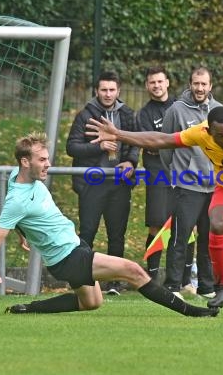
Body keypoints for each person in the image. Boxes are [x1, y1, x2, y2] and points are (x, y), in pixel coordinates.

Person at [0, 132, 218, 318]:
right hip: (67, 257)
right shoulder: (17, 200)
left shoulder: (14, 176)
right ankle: (191, 311)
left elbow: (16, 215)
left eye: (47, 158)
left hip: (74, 246)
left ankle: (27, 309)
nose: (48, 164)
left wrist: (22, 231)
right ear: (25, 162)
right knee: (133, 270)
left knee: (91, 302)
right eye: (42, 160)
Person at [86, 105, 223, 316]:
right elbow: (160, 140)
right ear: (209, 131)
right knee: (218, 223)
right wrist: (118, 134)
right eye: (221, 136)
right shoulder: (199, 133)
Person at [66, 71, 138, 295]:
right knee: (87, 232)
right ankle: (80, 279)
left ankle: (114, 283)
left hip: (119, 183)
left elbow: (135, 142)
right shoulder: (85, 115)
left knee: (117, 234)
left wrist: (130, 161)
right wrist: (100, 146)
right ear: (96, 91)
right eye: (104, 90)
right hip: (92, 183)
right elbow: (72, 147)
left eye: (112, 90)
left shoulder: (127, 114)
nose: (108, 94)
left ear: (118, 91)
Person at [158, 66, 221, 299]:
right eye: (196, 83)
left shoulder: (219, 110)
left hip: (213, 188)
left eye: (204, 84)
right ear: (190, 84)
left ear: (210, 86)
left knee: (208, 239)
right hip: (186, 187)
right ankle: (172, 286)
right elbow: (166, 146)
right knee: (179, 238)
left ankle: (206, 287)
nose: (200, 88)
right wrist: (175, 175)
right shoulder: (176, 110)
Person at [136, 66, 180, 282]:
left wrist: (163, 141)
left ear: (167, 82)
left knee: (183, 225)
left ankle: (181, 280)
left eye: (160, 81)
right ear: (147, 86)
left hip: (182, 174)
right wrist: (173, 141)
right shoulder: (144, 114)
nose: (156, 85)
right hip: (157, 174)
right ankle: (151, 279)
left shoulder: (180, 107)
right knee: (157, 224)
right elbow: (149, 144)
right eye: (152, 82)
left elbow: (187, 137)